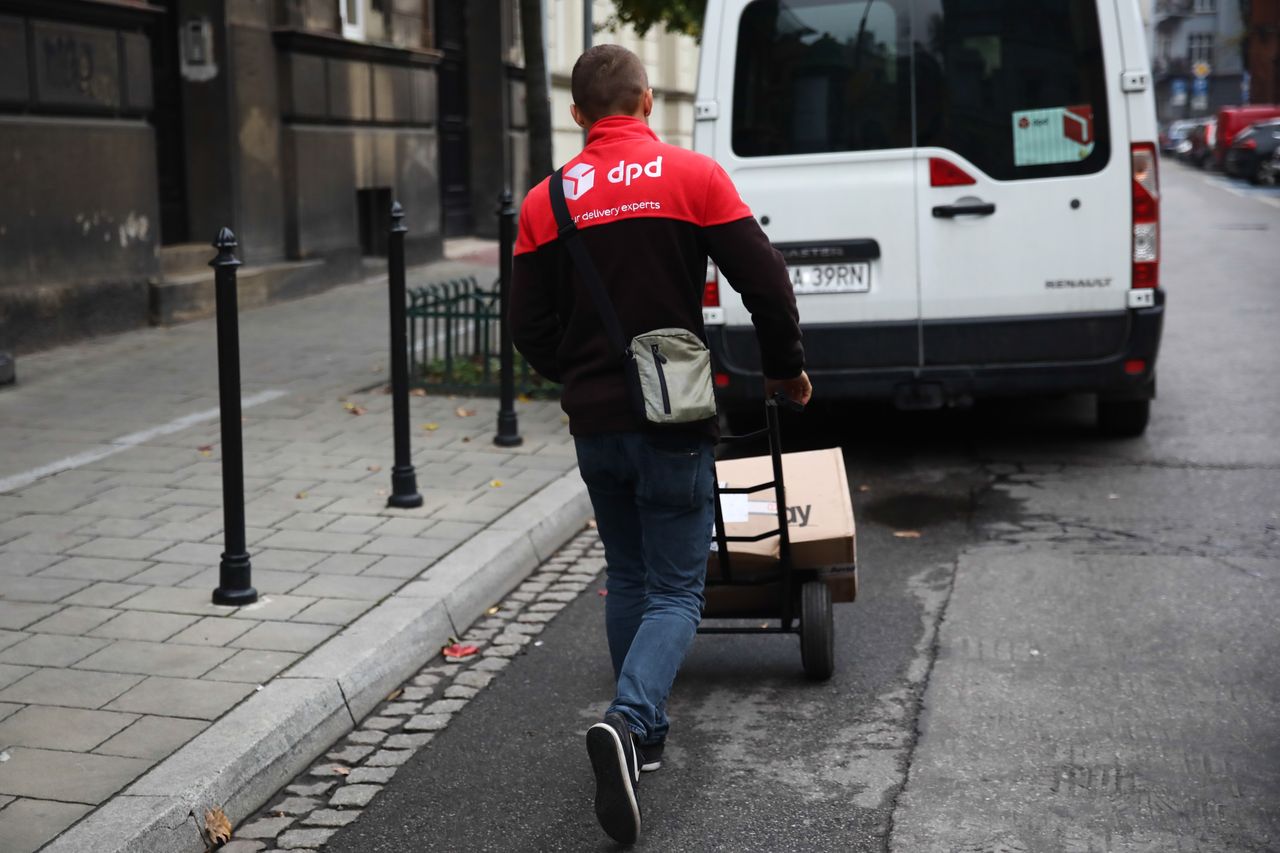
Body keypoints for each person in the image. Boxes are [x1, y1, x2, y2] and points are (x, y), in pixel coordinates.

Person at [510, 44, 811, 845]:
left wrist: (577, 376)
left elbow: (525, 327)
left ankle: (643, 741)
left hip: (595, 423)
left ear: (579, 115)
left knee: (630, 575)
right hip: (672, 419)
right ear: (647, 102)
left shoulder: (546, 200)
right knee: (679, 589)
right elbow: (767, 282)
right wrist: (785, 370)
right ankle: (631, 716)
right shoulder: (692, 177)